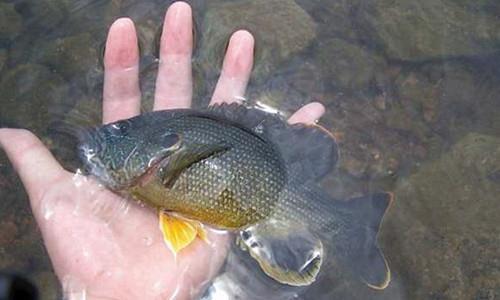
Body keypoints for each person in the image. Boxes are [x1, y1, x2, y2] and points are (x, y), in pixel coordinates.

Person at [0, 2, 325, 299]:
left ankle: (346, 224)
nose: (107, 135)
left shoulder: (159, 167)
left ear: (164, 148)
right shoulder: (152, 170)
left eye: (119, 130)